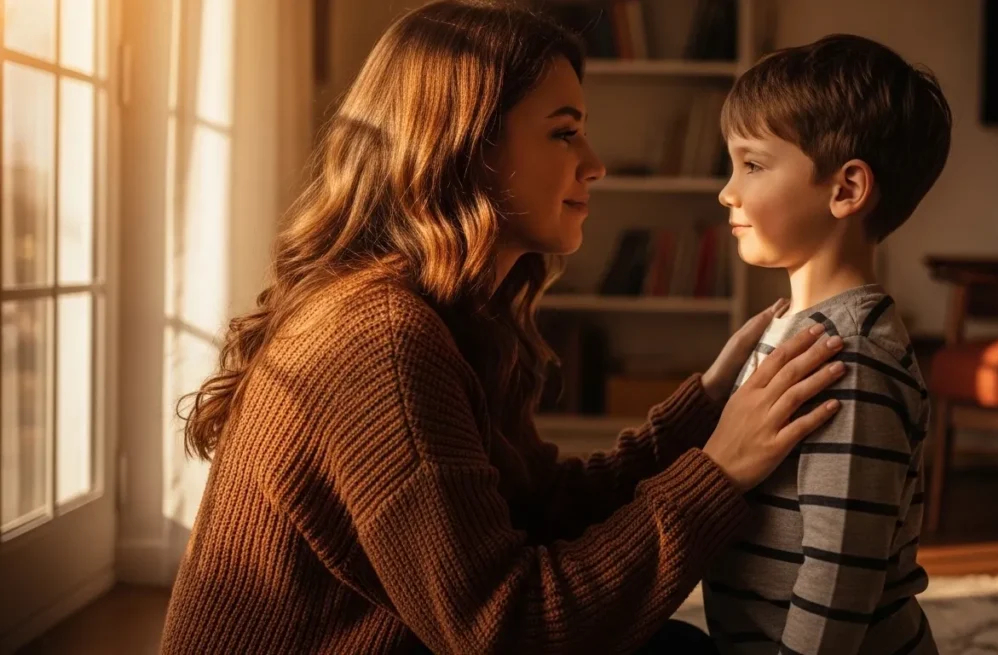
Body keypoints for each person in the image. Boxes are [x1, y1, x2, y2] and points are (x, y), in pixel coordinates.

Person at [159, 2, 849, 653]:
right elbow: (505, 628)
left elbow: (538, 509)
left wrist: (703, 408)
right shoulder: (380, 340)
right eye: (563, 131)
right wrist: (718, 470)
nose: (595, 163)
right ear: (464, 148)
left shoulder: (448, 312)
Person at [700, 35, 952, 654]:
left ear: (845, 190)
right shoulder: (793, 326)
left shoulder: (853, 361)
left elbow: (841, 575)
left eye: (752, 166)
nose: (727, 192)